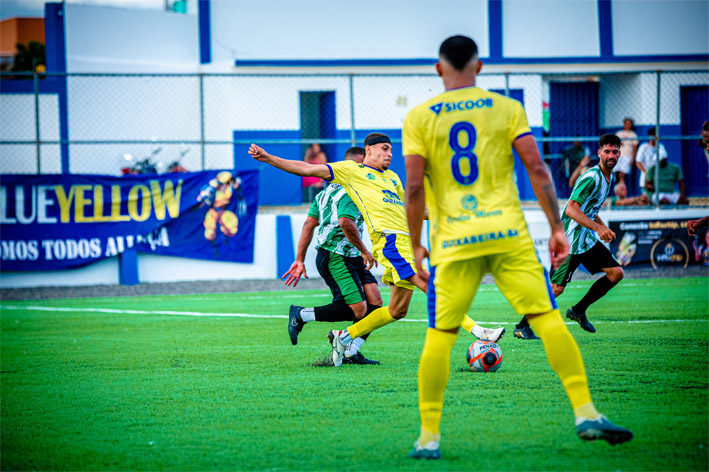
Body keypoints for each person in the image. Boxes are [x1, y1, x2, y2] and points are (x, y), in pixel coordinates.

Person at [402, 36, 632, 460]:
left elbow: (414, 188)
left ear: (439, 69)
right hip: (508, 235)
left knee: (440, 335)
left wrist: (415, 245)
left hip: (453, 241)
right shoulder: (506, 108)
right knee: (546, 318)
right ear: (480, 66)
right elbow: (538, 169)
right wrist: (555, 228)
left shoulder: (418, 117)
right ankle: (586, 412)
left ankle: (429, 439)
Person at [248, 135, 505, 367]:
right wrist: (268, 157)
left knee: (397, 311)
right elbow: (306, 168)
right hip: (389, 242)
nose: (390, 154)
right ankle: (478, 331)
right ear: (367, 150)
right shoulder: (351, 171)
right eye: (384, 149)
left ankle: (344, 336)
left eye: (392, 150)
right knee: (427, 282)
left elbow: (412, 209)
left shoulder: (392, 178)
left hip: (406, 242)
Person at [283, 147, 383, 365]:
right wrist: (366, 250)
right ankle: (301, 314)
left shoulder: (324, 193)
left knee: (375, 301)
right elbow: (345, 222)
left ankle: (351, 351)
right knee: (358, 308)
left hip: (349, 254)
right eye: (363, 165)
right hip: (335, 255)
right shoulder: (351, 189)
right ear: (354, 166)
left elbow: (309, 224)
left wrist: (299, 259)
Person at [614, 118, 638, 185]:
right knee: (617, 173)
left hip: (627, 155)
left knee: (623, 173)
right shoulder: (619, 133)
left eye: (629, 124)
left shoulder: (633, 134)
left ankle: (621, 189)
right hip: (618, 155)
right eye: (626, 123)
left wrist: (633, 158)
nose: (628, 125)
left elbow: (635, 147)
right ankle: (618, 189)